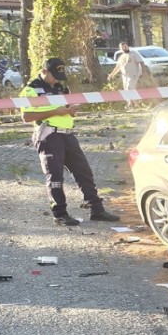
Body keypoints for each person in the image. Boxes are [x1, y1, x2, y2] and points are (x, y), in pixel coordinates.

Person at [20, 58, 121, 226]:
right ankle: (60, 214)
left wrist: (70, 111)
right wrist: (56, 111)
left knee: (84, 172)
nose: (58, 79)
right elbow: (26, 117)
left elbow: (65, 109)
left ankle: (96, 209)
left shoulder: (61, 88)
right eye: (55, 75)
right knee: (55, 176)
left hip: (67, 134)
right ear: (44, 71)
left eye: (61, 75)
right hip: (48, 134)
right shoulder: (31, 89)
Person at [108, 42, 145, 107]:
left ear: (128, 46)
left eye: (125, 46)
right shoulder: (121, 57)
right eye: (123, 47)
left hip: (133, 74)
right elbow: (118, 67)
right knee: (126, 90)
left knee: (129, 88)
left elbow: (141, 62)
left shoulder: (133, 53)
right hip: (125, 76)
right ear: (121, 49)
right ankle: (132, 104)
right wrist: (112, 74)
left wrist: (144, 72)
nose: (125, 48)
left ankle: (134, 104)